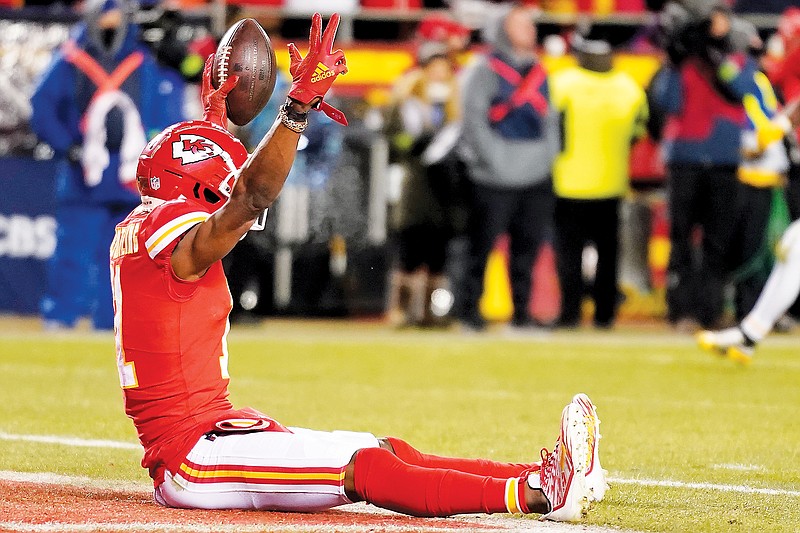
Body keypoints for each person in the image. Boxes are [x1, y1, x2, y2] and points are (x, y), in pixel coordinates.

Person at [110, 13, 606, 521]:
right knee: (364, 467)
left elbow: (217, 187)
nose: (225, 189)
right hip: (191, 451)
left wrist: (217, 117)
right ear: (196, 185)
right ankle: (540, 497)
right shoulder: (171, 233)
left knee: (389, 449)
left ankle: (543, 474)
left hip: (213, 427)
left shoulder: (148, 223)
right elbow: (251, 193)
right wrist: (296, 108)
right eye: (217, 180)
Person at [30, 0, 184, 330]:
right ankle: (61, 317)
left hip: (132, 175)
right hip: (85, 171)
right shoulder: (72, 58)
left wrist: (157, 157)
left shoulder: (145, 59)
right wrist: (67, 147)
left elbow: (166, 111)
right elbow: (41, 107)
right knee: (73, 253)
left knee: (124, 257)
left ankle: (112, 321)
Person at [458, 4, 559, 331]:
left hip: (534, 173)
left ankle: (523, 314)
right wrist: (495, 161)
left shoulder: (541, 70)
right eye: (520, 25)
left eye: (531, 25)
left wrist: (545, 159)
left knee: (528, 250)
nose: (530, 31)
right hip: (493, 175)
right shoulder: (484, 70)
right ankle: (469, 313)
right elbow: (473, 120)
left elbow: (551, 122)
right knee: (480, 249)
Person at [548, 33, 648, 329]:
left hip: (567, 181)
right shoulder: (628, 87)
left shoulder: (562, 83)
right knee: (608, 255)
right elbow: (639, 130)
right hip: (611, 182)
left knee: (569, 255)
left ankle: (570, 313)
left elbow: (548, 126)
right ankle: (605, 314)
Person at [385, 41, 462, 328]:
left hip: (445, 188)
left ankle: (431, 312)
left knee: (437, 251)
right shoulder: (407, 101)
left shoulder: (455, 103)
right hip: (415, 183)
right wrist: (414, 144)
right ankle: (401, 310)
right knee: (410, 247)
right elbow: (395, 138)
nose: (440, 74)